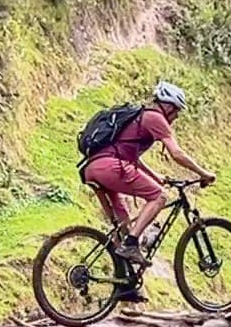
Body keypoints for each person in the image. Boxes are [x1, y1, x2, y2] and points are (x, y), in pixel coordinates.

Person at [82, 81, 216, 269]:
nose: (176, 116)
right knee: (159, 196)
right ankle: (131, 244)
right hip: (112, 167)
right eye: (176, 110)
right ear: (167, 106)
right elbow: (176, 154)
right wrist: (204, 173)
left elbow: (133, 156)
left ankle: (125, 284)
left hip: (93, 168)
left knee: (123, 227)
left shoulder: (141, 116)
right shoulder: (155, 118)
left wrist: (155, 176)